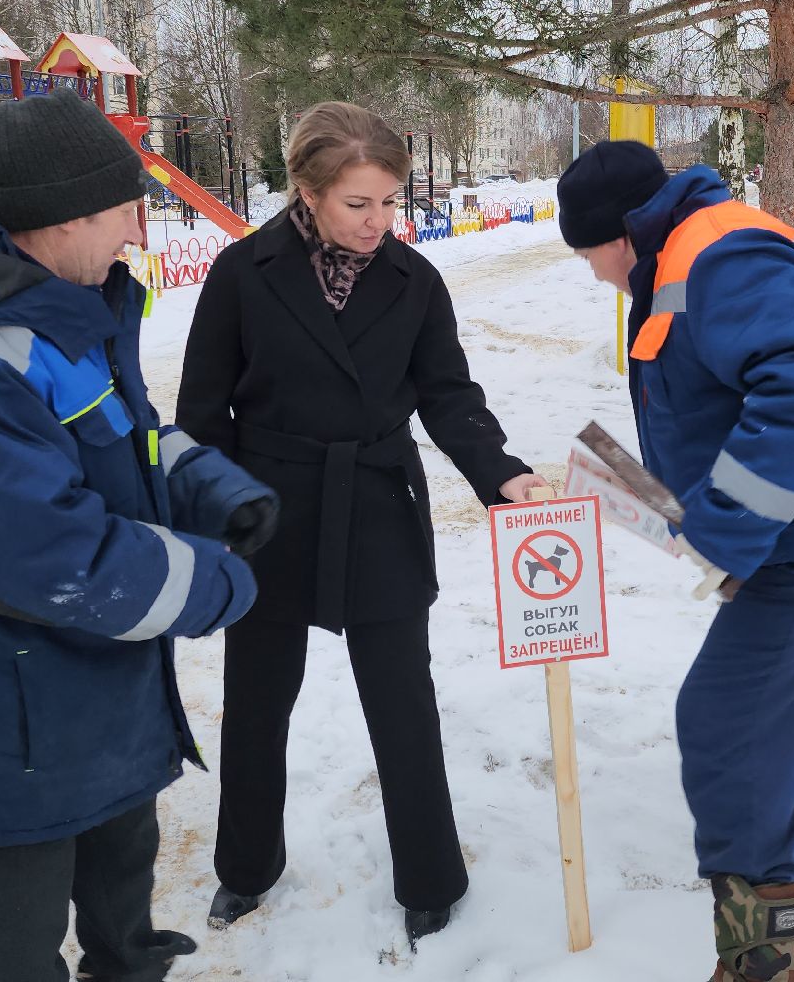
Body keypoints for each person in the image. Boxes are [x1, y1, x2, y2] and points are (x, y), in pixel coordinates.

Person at [0, 88, 276, 981]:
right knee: (19, 921)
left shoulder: (59, 307)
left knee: (123, 867)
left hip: (79, 687)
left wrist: (215, 490)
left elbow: (128, 436)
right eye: (126, 210)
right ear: (66, 215)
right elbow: (49, 560)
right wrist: (217, 582)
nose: (140, 233)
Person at [556, 141, 794, 982]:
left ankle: (763, 956)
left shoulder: (719, 255)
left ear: (619, 234)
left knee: (727, 724)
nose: (595, 275)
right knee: (781, 685)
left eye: (589, 255)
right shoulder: (691, 249)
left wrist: (727, 526)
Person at [176, 101, 546, 948]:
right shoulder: (241, 273)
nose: (379, 221)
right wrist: (218, 511)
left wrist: (500, 471)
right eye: (358, 203)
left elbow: (449, 395)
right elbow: (201, 412)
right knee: (257, 701)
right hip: (267, 510)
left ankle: (430, 876)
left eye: (389, 201)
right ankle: (246, 866)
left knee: (402, 698)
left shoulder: (416, 281)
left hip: (378, 503)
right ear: (307, 192)